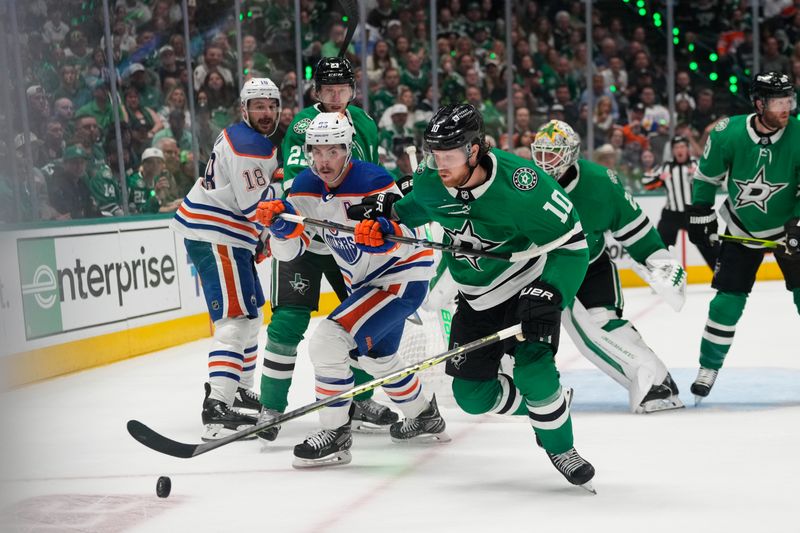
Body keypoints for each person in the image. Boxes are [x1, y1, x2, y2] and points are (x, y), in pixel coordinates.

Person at [348, 104, 596, 492]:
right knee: (472, 396)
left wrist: (551, 290)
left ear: (475, 150)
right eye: (433, 153)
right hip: (476, 298)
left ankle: (560, 445)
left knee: (535, 369)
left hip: (524, 286)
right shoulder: (432, 179)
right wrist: (381, 225)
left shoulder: (523, 186)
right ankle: (546, 408)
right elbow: (407, 212)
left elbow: (573, 244)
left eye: (448, 155)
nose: (438, 163)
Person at [255, 113, 446, 467]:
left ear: (348, 149)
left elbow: (407, 234)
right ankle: (424, 415)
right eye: (317, 152)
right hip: (368, 282)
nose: (323, 161)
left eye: (333, 151)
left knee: (329, 339)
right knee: (376, 359)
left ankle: (336, 432)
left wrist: (383, 239)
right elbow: (293, 252)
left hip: (402, 276)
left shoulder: (373, 180)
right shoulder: (304, 189)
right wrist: (281, 229)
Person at [259, 56, 393, 441]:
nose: (336, 97)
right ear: (316, 92)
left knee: (363, 321)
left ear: (353, 90)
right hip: (307, 238)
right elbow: (302, 183)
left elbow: (370, 176)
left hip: (348, 242)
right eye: (328, 90)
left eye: (343, 90)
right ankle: (271, 407)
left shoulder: (364, 123)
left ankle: (360, 398)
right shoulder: (305, 125)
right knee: (287, 322)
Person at [531, 120, 686, 414]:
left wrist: (659, 261)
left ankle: (655, 380)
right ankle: (515, 382)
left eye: (552, 153)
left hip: (591, 266)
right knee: (525, 330)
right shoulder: (525, 183)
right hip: (541, 269)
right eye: (540, 152)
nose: (544, 161)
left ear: (570, 153)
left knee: (600, 322)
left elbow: (636, 230)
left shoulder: (601, 183)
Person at [170, 78, 282, 440]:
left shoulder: (246, 137)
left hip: (231, 235)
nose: (266, 113)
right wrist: (287, 187)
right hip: (217, 234)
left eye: (271, 105)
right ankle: (217, 407)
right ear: (244, 109)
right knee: (233, 321)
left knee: (250, 318)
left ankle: (237, 391)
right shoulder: (249, 145)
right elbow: (255, 207)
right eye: (258, 106)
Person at [686, 72, 800, 403]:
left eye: (789, 100)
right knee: (726, 302)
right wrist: (700, 211)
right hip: (741, 227)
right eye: (779, 102)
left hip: (788, 229)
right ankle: (708, 367)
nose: (786, 108)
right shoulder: (728, 132)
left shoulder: (798, 133)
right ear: (759, 103)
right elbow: (706, 178)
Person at [643, 135, 719, 269]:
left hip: (693, 213)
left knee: (707, 244)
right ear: (673, 151)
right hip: (671, 213)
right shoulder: (666, 167)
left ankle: (720, 275)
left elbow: (716, 179)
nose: (680, 150)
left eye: (682, 146)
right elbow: (646, 183)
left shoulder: (697, 165)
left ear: (687, 149)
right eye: (676, 147)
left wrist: (699, 177)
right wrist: (659, 179)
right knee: (660, 246)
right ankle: (662, 275)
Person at [128, 147, 182, 214]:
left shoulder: (159, 179)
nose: (155, 165)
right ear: (143, 164)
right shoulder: (134, 181)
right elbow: (142, 211)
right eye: (151, 162)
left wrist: (177, 203)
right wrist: (171, 208)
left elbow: (162, 204)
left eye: (159, 162)